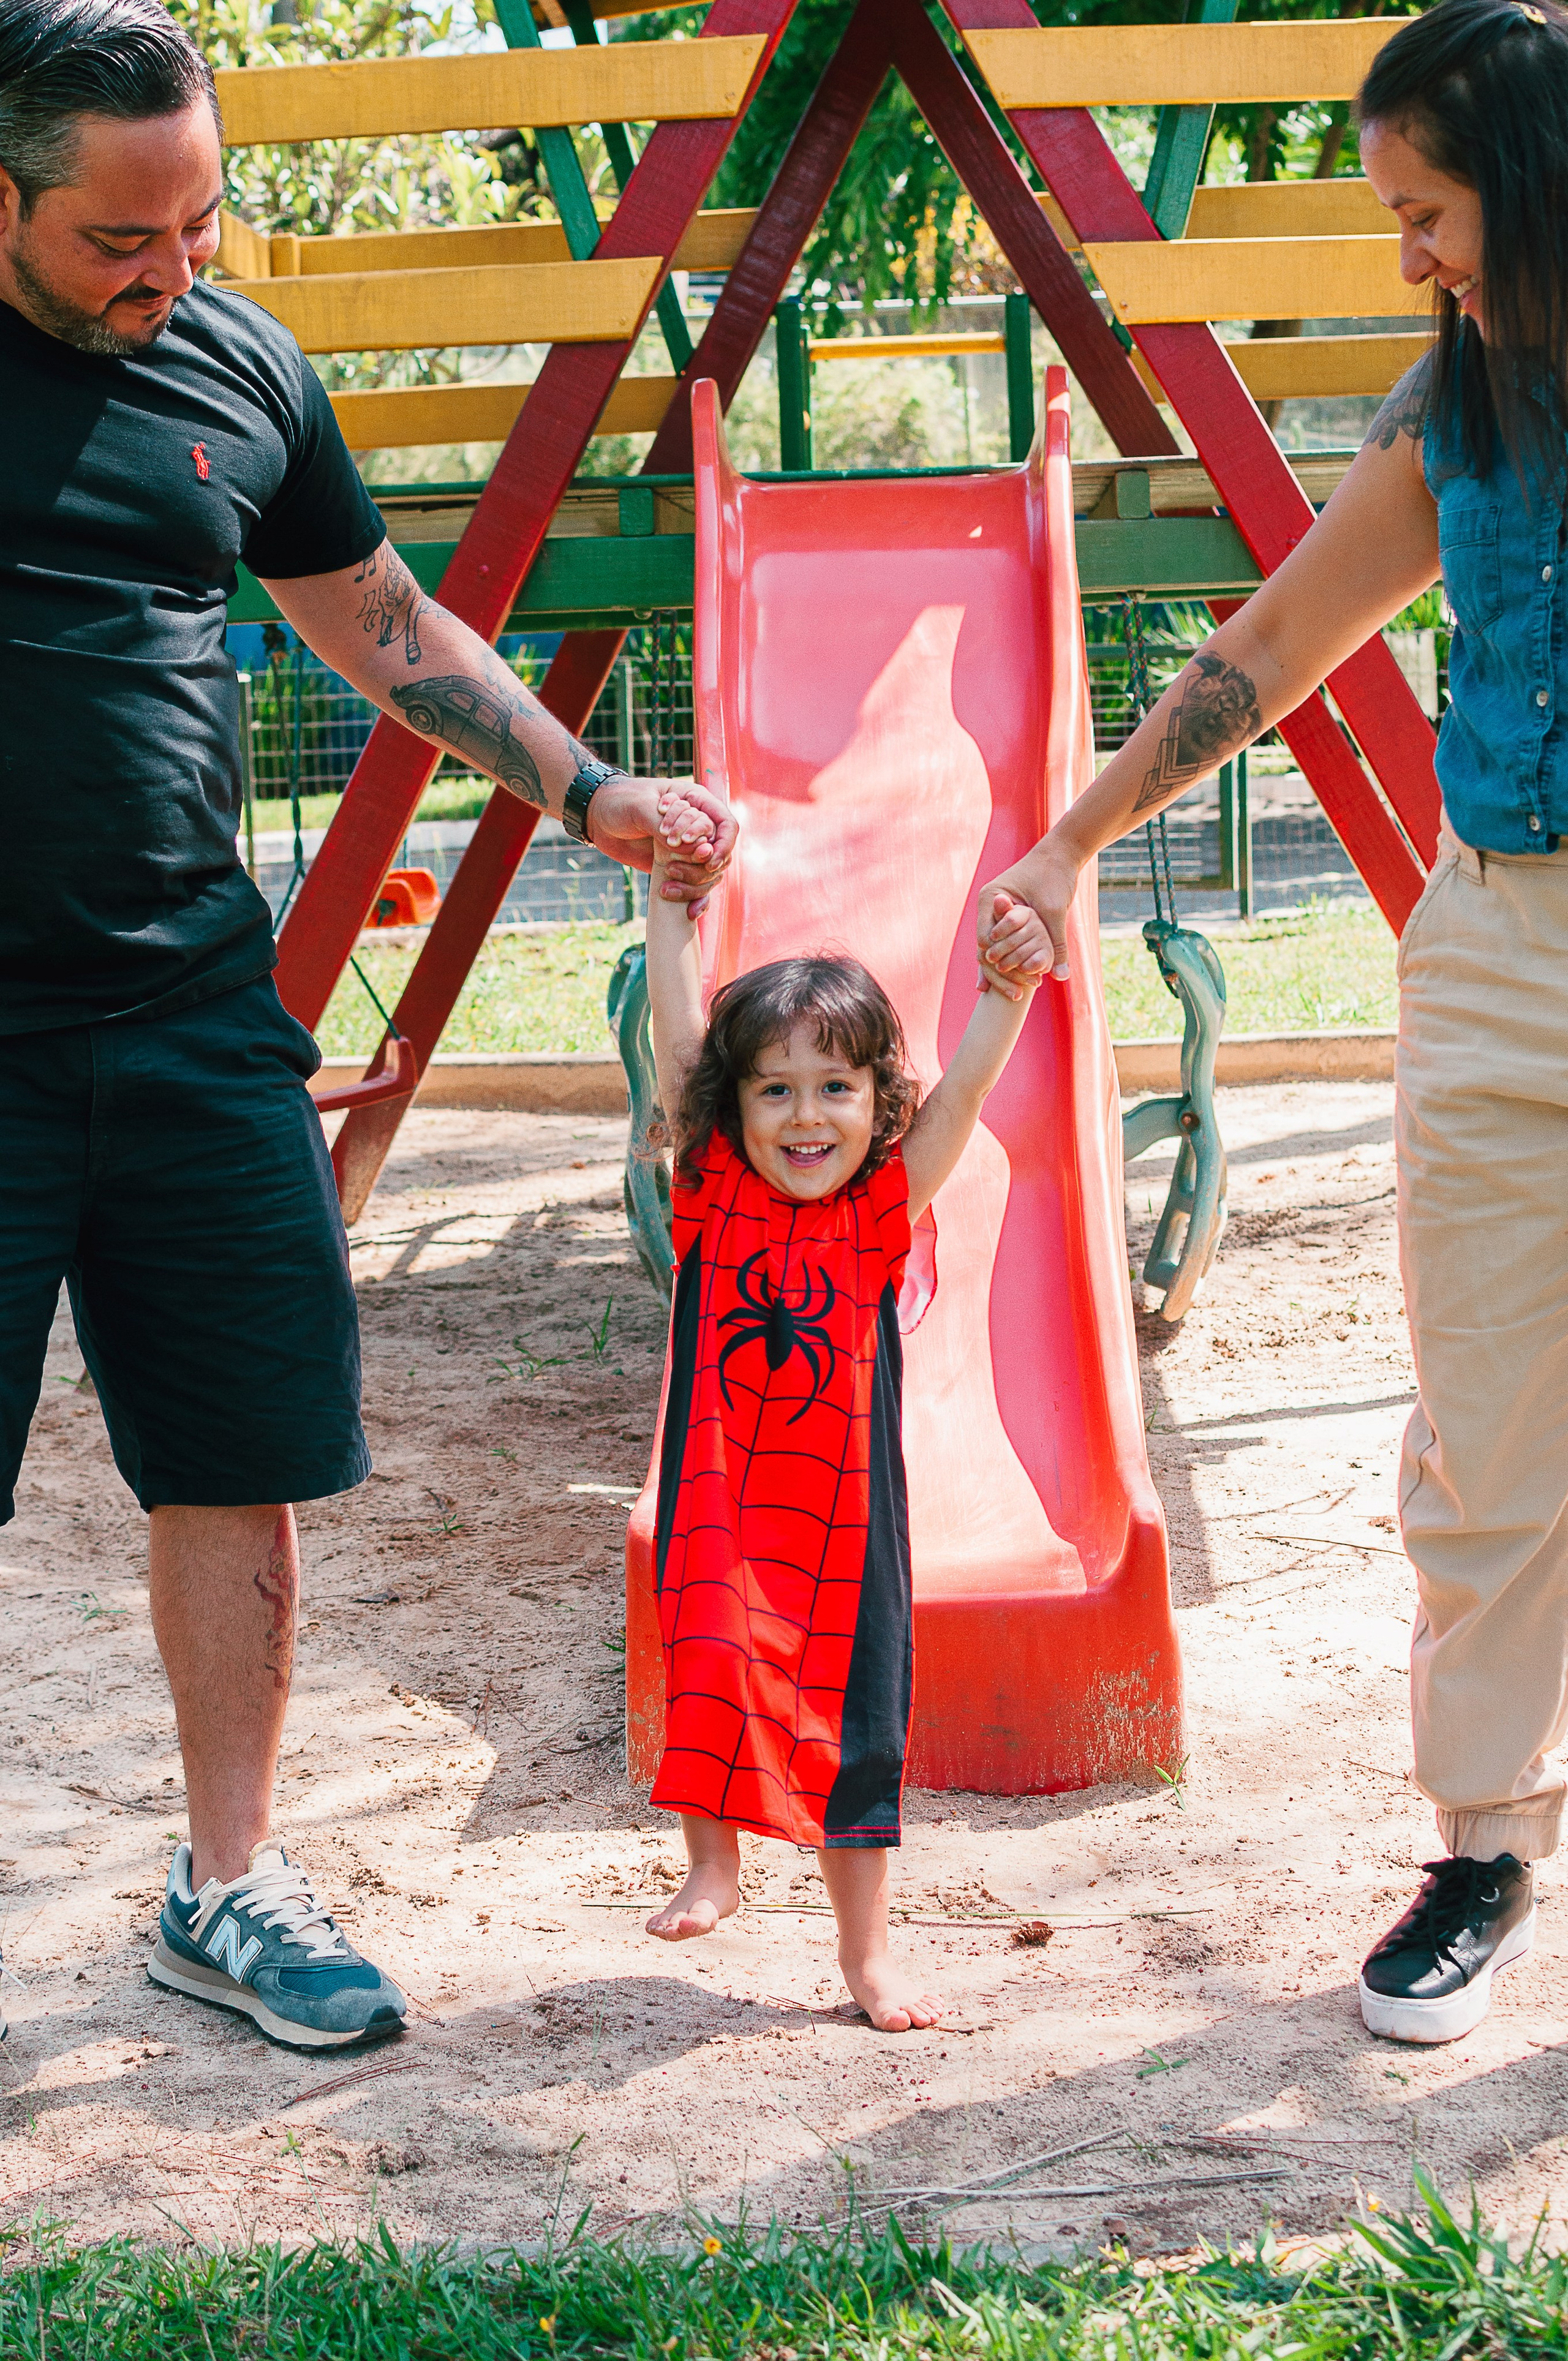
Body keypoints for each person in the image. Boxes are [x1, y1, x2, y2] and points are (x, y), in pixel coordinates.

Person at [0, 0, 729, 2053]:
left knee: (242, 1451)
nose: (171, 272)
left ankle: (227, 1884)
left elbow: (382, 622)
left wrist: (596, 792)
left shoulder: (238, 364)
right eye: (114, 242)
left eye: (201, 223)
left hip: (188, 1007)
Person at [979, 0, 1568, 2047]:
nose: (1410, 251)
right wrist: (1069, 840)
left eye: (1430, 210)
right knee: (1488, 1416)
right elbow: (1282, 634)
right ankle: (1485, 1837)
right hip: (1499, 938)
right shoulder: (1466, 399)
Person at [639, 798, 1051, 2030]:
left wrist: (1003, 992)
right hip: (718, 1496)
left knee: (855, 1722)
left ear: (878, 1100)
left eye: (835, 1086)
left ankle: (864, 1955)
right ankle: (711, 1858)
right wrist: (672, 908)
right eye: (773, 1090)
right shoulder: (711, 1189)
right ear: (733, 1106)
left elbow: (961, 1103)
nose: (805, 1115)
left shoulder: (874, 1215)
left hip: (842, 1523)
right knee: (707, 1663)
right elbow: (675, 1045)